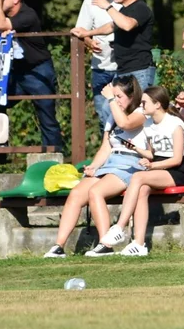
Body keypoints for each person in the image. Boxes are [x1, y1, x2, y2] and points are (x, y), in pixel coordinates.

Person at [43, 76, 146, 258]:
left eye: (119, 96)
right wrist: (93, 166)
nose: (116, 100)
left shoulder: (140, 112)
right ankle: (58, 246)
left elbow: (126, 123)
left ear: (132, 96)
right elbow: (106, 147)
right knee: (76, 193)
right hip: (111, 163)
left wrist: (112, 101)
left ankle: (105, 244)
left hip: (131, 164)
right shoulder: (112, 117)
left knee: (96, 192)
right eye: (114, 96)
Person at [100, 86, 184, 256]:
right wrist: (138, 151)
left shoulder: (175, 124)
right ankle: (139, 244)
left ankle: (120, 227)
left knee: (137, 177)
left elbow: (177, 159)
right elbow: (153, 154)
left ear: (157, 104)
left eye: (144, 103)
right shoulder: (149, 124)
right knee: (142, 190)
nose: (141, 107)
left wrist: (152, 166)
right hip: (159, 166)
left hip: (177, 170)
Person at [0, 0, 64, 149]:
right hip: (17, 73)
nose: (0, 0)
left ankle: (53, 158)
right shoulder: (6, 16)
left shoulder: (27, 15)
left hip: (38, 71)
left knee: (46, 117)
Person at [77, 0, 156, 89]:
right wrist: (87, 33)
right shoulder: (124, 10)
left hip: (139, 70)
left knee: (140, 107)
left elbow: (127, 25)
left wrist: (108, 7)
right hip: (124, 70)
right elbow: (112, 26)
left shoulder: (141, 7)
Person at [70, 0, 120, 128]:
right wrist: (90, 42)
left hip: (124, 65)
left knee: (125, 111)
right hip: (101, 66)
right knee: (102, 113)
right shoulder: (89, 0)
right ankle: (106, 149)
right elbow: (80, 30)